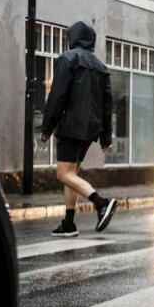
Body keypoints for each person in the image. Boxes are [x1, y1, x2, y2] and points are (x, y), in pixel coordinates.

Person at [40, 20, 118, 237]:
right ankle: (69, 222)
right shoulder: (101, 67)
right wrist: (106, 136)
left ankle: (101, 203)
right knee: (72, 173)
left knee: (64, 174)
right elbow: (107, 103)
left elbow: (58, 95)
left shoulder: (68, 59)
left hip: (70, 126)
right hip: (90, 129)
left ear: (71, 38)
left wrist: (47, 126)